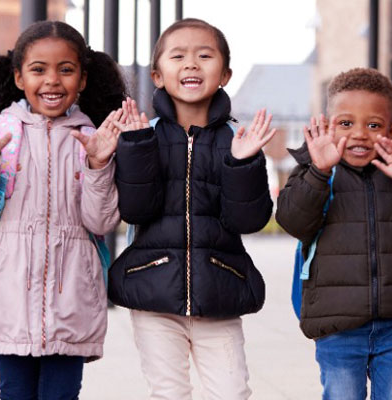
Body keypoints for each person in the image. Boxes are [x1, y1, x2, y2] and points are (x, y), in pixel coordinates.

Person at [0, 20, 126, 399]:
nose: (52, 81)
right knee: (15, 391)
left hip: (72, 297)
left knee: (62, 394)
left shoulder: (94, 138)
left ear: (83, 78)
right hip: (7, 296)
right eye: (38, 69)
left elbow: (101, 220)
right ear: (19, 77)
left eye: (66, 69)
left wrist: (97, 167)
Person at [107, 18, 276, 400]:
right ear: (157, 75)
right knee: (168, 393)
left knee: (232, 392)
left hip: (219, 289)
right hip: (153, 290)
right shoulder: (141, 134)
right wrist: (134, 149)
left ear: (225, 74)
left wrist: (243, 164)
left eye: (204, 55)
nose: (191, 64)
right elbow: (135, 210)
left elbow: (247, 220)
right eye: (178, 56)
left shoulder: (239, 140)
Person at [275, 67, 392, 399]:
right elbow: (293, 222)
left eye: (373, 125)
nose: (359, 134)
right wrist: (318, 172)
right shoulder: (314, 169)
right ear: (328, 126)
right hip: (337, 323)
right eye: (345, 123)